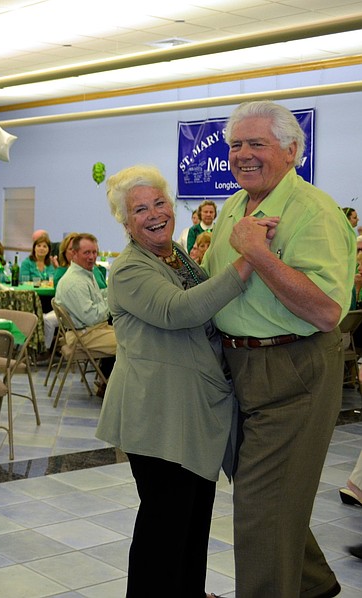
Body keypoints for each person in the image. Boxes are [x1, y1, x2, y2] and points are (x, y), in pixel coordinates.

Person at [202, 100, 355, 598]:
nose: (242, 154)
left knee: (260, 510)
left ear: (292, 150)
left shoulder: (314, 212)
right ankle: (312, 586)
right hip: (239, 367)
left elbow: (328, 311)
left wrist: (259, 253)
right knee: (270, 499)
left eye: (255, 143)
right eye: (235, 145)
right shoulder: (234, 204)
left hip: (294, 369)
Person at [96, 164, 264, 597]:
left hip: (194, 412)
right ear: (125, 221)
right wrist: (249, 262)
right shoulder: (130, 268)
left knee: (192, 521)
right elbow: (180, 311)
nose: (154, 214)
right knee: (164, 526)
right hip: (157, 415)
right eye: (139, 209)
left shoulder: (178, 256)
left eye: (159, 203)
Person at [54, 233, 116, 396]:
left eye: (94, 252)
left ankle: (107, 383)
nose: (92, 257)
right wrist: (113, 301)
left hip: (92, 330)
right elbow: (93, 317)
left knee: (129, 334)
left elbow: (98, 300)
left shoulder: (85, 274)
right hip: (85, 334)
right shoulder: (74, 282)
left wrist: (110, 294)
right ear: (73, 254)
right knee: (131, 342)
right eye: (87, 253)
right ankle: (113, 390)